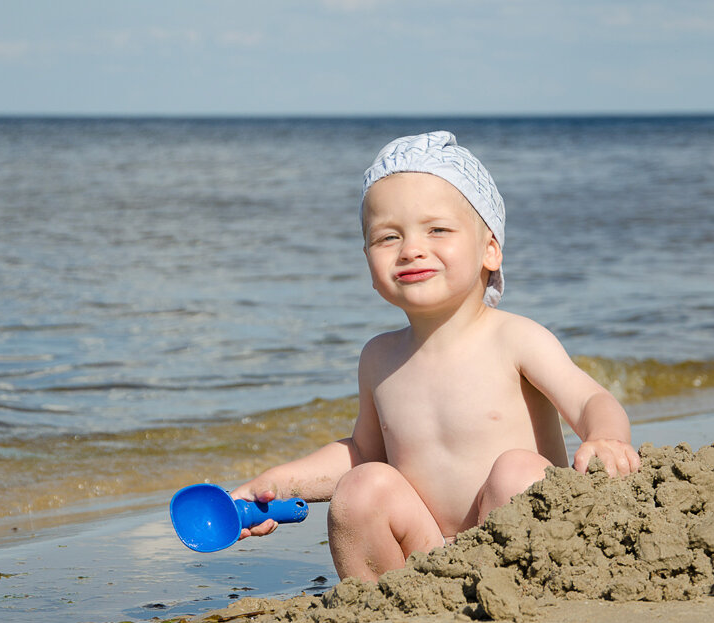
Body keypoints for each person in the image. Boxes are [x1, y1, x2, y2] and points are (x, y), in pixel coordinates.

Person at [231, 131, 639, 582]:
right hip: (429, 558)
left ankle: (528, 596)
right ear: (367, 259)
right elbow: (363, 452)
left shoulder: (515, 338)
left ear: (490, 248)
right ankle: (377, 603)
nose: (410, 249)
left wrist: (605, 438)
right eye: (387, 237)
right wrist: (277, 484)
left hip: (525, 547)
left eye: (437, 230)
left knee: (517, 471)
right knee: (362, 486)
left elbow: (589, 400)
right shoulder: (379, 357)